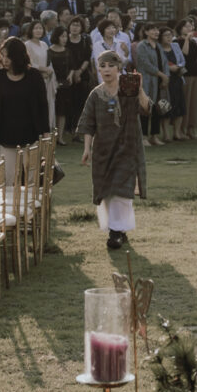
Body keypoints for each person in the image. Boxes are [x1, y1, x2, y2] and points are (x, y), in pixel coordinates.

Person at [78, 52, 149, 250]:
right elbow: (88, 122)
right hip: (103, 150)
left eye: (111, 65)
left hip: (128, 147)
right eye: (103, 65)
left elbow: (146, 108)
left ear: (119, 68)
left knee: (122, 190)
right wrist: (86, 149)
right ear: (98, 69)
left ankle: (116, 232)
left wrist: (140, 89)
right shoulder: (96, 94)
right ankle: (117, 228)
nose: (107, 69)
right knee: (107, 191)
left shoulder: (128, 89)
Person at [0, 37, 52, 189]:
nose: (5, 60)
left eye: (9, 56)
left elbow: (42, 105)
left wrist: (46, 132)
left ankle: (32, 211)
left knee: (32, 182)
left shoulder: (34, 76)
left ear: (18, 56)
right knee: (5, 183)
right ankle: (6, 212)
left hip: (32, 136)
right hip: (5, 138)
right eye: (3, 56)